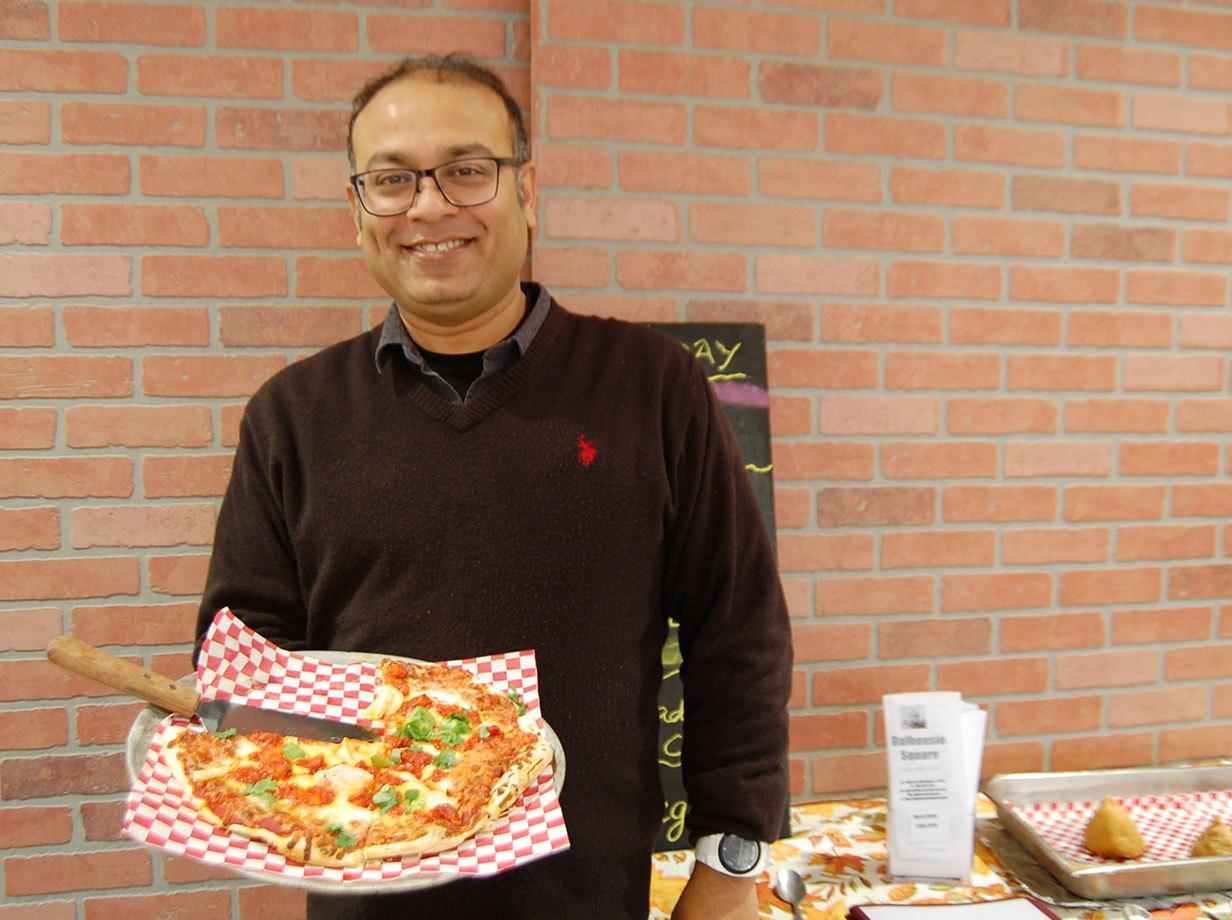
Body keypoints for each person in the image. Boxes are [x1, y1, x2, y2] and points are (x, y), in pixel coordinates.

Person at [193, 54, 792, 920]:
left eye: (466, 171)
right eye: (392, 181)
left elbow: (736, 629)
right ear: (358, 211)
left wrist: (733, 864)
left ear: (527, 191)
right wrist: (294, 790)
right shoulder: (292, 414)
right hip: (365, 892)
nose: (430, 207)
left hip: (587, 897)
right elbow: (245, 661)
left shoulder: (652, 387)